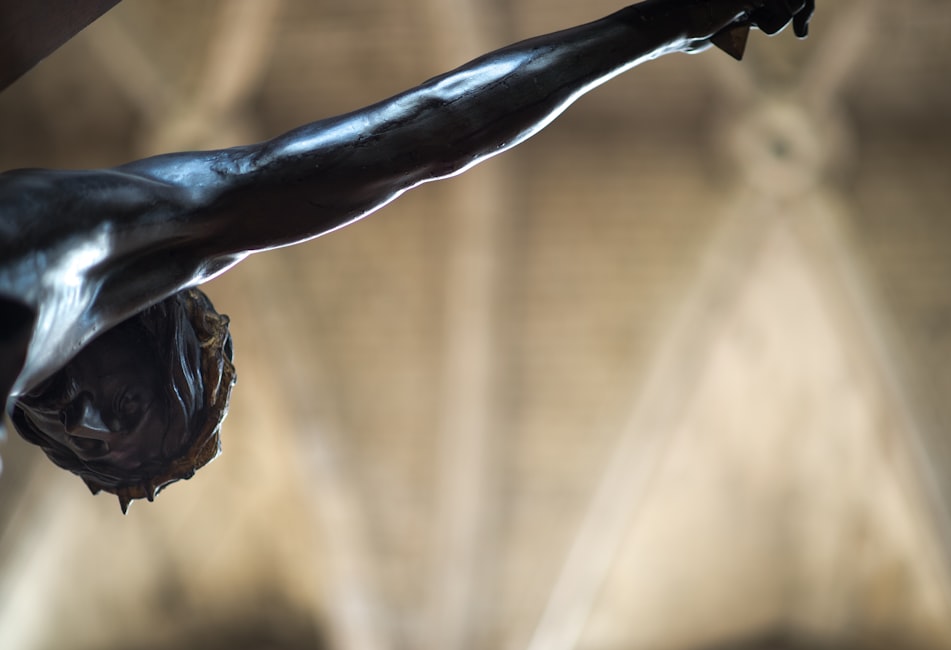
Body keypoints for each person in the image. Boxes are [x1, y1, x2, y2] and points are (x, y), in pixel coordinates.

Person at [0, 0, 814, 512]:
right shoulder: (104, 259)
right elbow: (421, 137)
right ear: (152, 320)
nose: (84, 419)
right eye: (127, 409)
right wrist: (662, 26)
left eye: (89, 446)